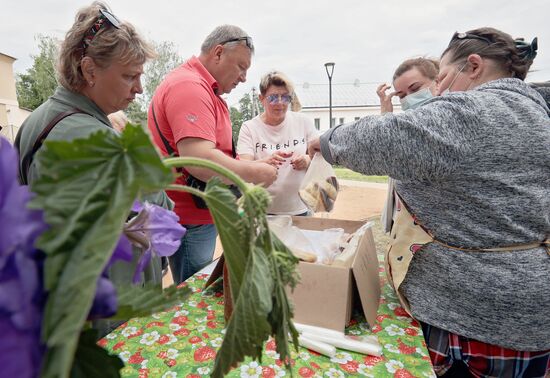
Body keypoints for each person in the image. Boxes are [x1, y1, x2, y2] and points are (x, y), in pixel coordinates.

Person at [309, 27, 549, 378]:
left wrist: (326, 142)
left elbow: (389, 138)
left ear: (474, 66)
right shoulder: (537, 113)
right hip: (528, 307)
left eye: (443, 79)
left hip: (472, 315)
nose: (439, 92)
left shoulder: (475, 108)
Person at [14, 1, 167, 335]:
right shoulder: (99, 141)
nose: (139, 89)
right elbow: (161, 220)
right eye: (130, 76)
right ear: (89, 70)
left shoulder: (39, 120)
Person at [148, 25, 277, 284]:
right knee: (195, 291)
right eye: (241, 66)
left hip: (197, 215)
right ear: (218, 53)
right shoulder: (190, 87)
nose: (243, 77)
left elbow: (213, 153)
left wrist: (246, 164)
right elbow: (200, 161)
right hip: (189, 218)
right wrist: (252, 173)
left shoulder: (203, 88)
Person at [237, 71, 317, 215]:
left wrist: (307, 159)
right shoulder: (249, 128)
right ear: (261, 99)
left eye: (285, 97)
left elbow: (319, 157)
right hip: (262, 211)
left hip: (301, 209)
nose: (280, 103)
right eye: (273, 97)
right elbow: (242, 168)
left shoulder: (303, 122)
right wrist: (265, 162)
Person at [377, 58, 439, 233]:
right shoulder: (406, 125)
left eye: (415, 89)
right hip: (406, 222)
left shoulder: (445, 125)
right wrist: (386, 114)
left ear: (438, 82)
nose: (409, 98)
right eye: (402, 95)